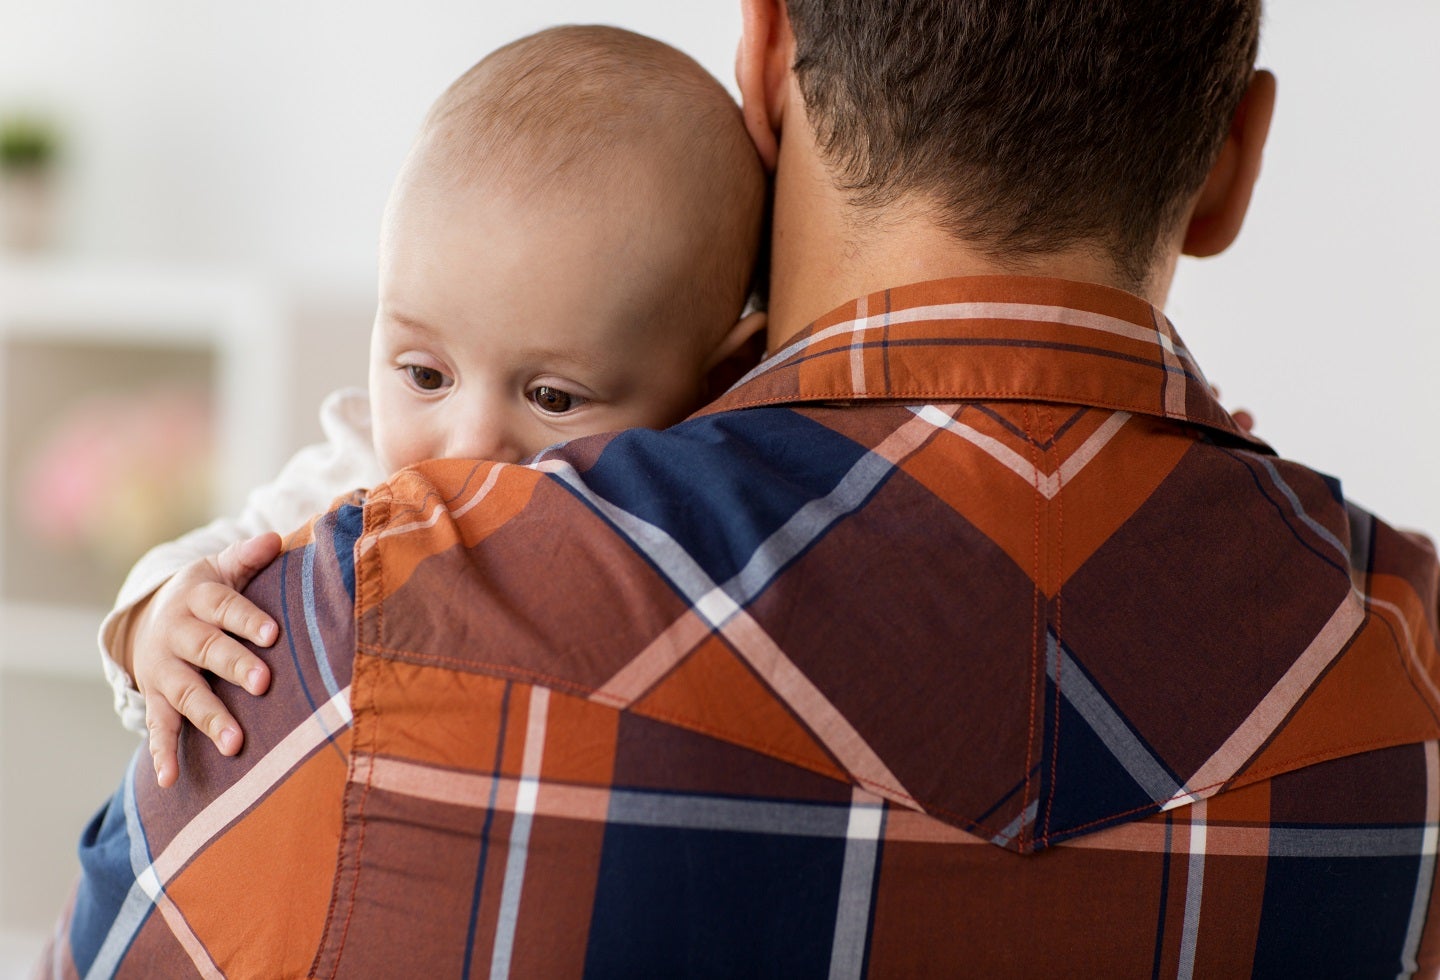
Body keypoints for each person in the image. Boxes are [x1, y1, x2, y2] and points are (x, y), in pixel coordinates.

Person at [43, 0, 1440, 976]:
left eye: (542, 393)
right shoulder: (1413, 674)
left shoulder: (359, 648)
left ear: (765, 56)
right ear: (1233, 164)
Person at [95, 24, 766, 787]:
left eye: (551, 395)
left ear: (723, 377)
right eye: (424, 375)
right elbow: (198, 560)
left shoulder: (681, 529)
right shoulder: (347, 477)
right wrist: (157, 620)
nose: (468, 441)